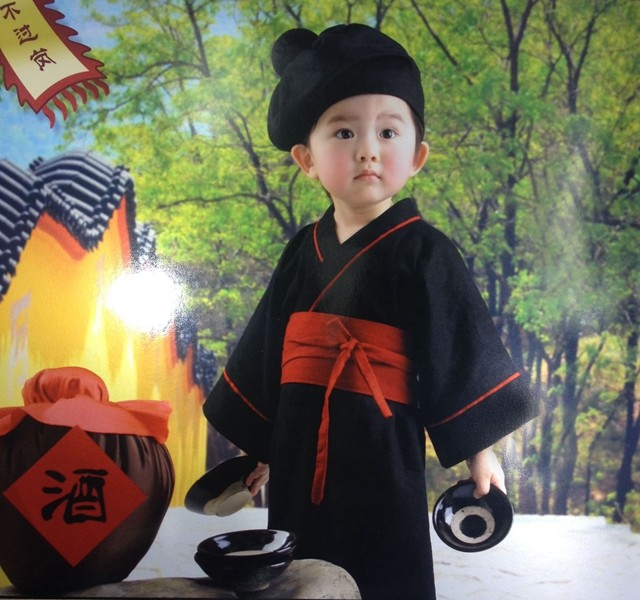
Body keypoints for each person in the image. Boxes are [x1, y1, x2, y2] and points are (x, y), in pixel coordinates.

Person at [204, 23, 538, 599]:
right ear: (306, 159)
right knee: (298, 567)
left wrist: (479, 454)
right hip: (299, 444)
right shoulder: (301, 251)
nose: (367, 148)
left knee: (384, 568)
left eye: (388, 131)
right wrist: (260, 448)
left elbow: (457, 353)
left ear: (418, 155)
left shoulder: (425, 251)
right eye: (344, 131)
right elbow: (266, 352)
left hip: (382, 444)